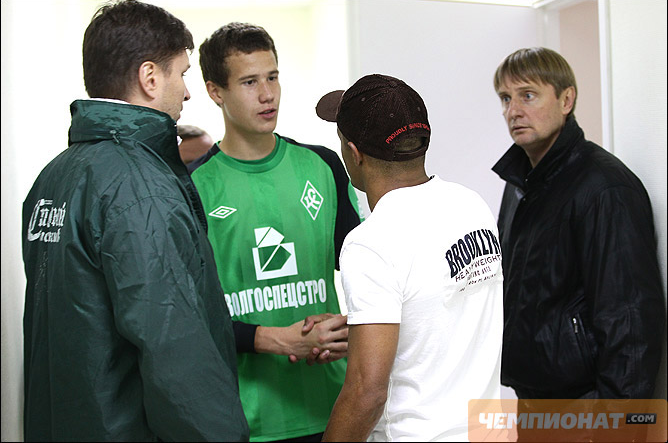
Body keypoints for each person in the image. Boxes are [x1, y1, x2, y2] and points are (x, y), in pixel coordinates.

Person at [21, 1, 249, 441]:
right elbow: (173, 348)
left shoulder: (53, 178)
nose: (187, 92)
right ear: (150, 78)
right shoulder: (139, 188)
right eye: (181, 74)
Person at [190, 22, 363, 441]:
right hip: (245, 419)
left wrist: (347, 328)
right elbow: (191, 314)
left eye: (273, 77)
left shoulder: (323, 166)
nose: (267, 94)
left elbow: (367, 275)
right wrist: (279, 340)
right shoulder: (193, 187)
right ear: (216, 91)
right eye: (249, 82)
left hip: (331, 408)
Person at [315, 74, 504, 441]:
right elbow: (438, 316)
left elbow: (366, 393)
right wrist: (361, 327)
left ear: (353, 153)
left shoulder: (370, 243)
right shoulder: (472, 206)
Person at [491, 47, 665, 399]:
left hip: (588, 403)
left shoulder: (605, 187)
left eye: (528, 95)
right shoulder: (520, 184)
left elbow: (630, 320)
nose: (514, 111)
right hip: (533, 395)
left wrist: (618, 421)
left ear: (566, 99)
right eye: (506, 98)